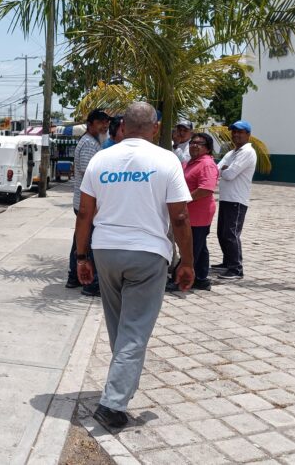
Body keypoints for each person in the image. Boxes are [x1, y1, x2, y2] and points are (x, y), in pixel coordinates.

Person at [75, 102, 194, 429]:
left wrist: (81, 256)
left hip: (105, 252)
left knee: (121, 327)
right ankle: (113, 404)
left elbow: (85, 213)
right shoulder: (167, 160)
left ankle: (120, 383)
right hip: (148, 254)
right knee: (135, 330)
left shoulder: (102, 158)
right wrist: (187, 262)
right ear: (155, 128)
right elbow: (180, 216)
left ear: (123, 126)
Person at [66, 108, 110, 296]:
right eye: (100, 122)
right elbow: (87, 172)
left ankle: (74, 277)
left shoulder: (92, 142)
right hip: (86, 202)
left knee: (80, 241)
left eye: (106, 122)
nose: (104, 125)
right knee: (87, 243)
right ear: (90, 124)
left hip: (85, 201)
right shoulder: (89, 144)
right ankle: (88, 282)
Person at [167, 132, 218, 292]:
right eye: (192, 142)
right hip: (191, 212)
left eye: (199, 143)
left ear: (208, 148)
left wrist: (183, 200)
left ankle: (179, 279)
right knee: (200, 247)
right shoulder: (191, 163)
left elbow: (206, 189)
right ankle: (201, 278)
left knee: (190, 246)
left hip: (198, 214)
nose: (194, 145)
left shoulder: (206, 164)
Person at [213, 120, 257, 280]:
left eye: (240, 132)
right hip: (226, 198)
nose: (236, 134)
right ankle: (227, 262)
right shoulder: (232, 153)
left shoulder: (247, 152)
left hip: (237, 200)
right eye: (234, 132)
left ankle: (236, 268)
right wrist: (224, 170)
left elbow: (229, 174)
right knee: (222, 233)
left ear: (248, 135)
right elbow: (217, 169)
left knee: (231, 234)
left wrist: (224, 170)